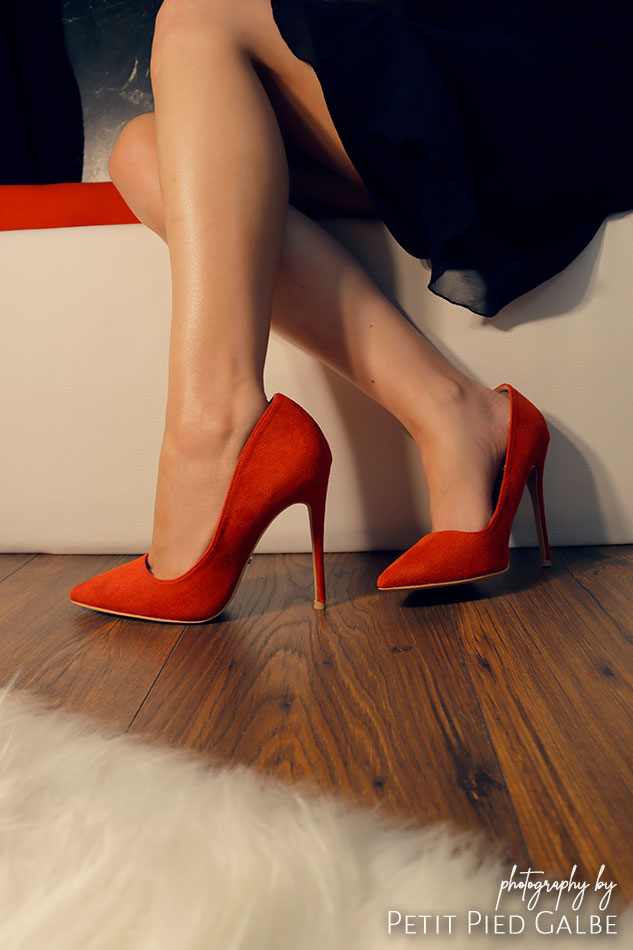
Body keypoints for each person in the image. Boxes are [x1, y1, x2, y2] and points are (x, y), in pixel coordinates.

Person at [69, 0, 630, 622]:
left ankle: (216, 433)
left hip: (561, 73)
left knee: (197, 13)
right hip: (442, 55)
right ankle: (454, 412)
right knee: (142, 152)